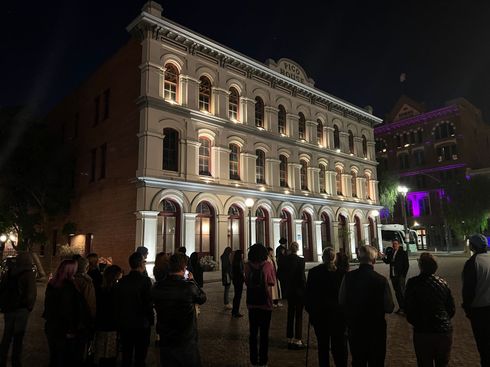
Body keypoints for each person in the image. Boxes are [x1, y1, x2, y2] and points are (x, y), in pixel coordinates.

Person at [339, 245, 394, 366]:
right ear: (374, 261)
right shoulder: (381, 280)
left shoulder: (348, 277)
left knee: (358, 361)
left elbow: (341, 300)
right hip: (376, 329)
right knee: (377, 361)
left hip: (356, 328)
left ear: (359, 259)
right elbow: (389, 307)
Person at [152, 253, 207, 367]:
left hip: (166, 337)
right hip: (185, 339)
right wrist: (192, 281)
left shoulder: (157, 287)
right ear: (184, 267)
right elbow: (202, 298)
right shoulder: (189, 287)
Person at [405, 253, 455, 367]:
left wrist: (417, 322)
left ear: (421, 266)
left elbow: (409, 308)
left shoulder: (413, 283)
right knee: (442, 363)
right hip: (443, 330)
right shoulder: (443, 282)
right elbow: (451, 308)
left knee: (424, 362)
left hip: (423, 330)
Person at [44, 259, 92, 367]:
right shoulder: (68, 287)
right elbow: (67, 310)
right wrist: (70, 329)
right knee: (64, 358)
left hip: (52, 326)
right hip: (64, 329)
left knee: (54, 357)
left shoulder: (52, 284)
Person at [305, 247, 347, 367]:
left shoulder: (314, 273)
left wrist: (311, 311)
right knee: (339, 347)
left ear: (322, 258)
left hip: (320, 316)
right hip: (338, 317)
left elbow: (308, 295)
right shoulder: (342, 274)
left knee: (322, 347)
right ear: (335, 258)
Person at [115, 252, 153, 367]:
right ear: (141, 264)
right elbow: (148, 303)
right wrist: (151, 319)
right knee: (140, 355)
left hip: (125, 322)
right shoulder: (145, 281)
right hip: (141, 323)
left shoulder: (122, 281)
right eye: (144, 261)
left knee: (126, 353)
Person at [0, 252, 37, 367]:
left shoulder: (10, 272)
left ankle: (2, 359)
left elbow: (2, 288)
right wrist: (29, 307)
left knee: (7, 335)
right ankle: (16, 361)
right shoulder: (28, 274)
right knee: (18, 336)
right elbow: (31, 295)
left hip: (9, 308)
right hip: (21, 309)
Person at [245, 243, 276, 367]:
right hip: (265, 303)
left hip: (252, 303)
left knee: (253, 333)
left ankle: (253, 360)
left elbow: (246, 282)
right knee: (264, 334)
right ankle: (263, 361)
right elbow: (272, 282)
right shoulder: (267, 265)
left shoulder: (247, 266)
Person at [462, 233, 490, 366]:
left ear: (472, 246)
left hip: (481, 311)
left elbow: (468, 290)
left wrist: (468, 309)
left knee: (484, 346)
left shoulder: (473, 263)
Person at [93, 265, 123, 367]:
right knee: (110, 353)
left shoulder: (99, 289)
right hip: (113, 325)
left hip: (101, 324)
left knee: (100, 352)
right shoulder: (117, 290)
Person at [283, 242, 306, 349]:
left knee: (290, 313)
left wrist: (285, 284)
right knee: (299, 315)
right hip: (299, 291)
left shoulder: (285, 260)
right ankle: (298, 338)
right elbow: (302, 278)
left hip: (289, 290)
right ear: (297, 249)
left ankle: (289, 337)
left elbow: (279, 274)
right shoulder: (301, 261)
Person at [382, 239, 409, 313]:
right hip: (393, 275)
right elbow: (388, 262)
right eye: (393, 244)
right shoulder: (391, 252)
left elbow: (406, 265)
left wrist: (403, 275)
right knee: (397, 292)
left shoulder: (403, 253)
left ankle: (405, 308)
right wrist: (383, 257)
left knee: (402, 292)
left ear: (398, 244)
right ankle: (401, 307)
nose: (394, 245)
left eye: (396, 244)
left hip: (400, 276)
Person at [231, 249, 245, 318]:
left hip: (236, 281)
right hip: (239, 281)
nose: (243, 255)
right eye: (242, 254)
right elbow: (240, 272)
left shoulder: (235, 262)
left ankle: (235, 311)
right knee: (238, 296)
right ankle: (235, 312)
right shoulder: (238, 262)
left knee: (237, 296)